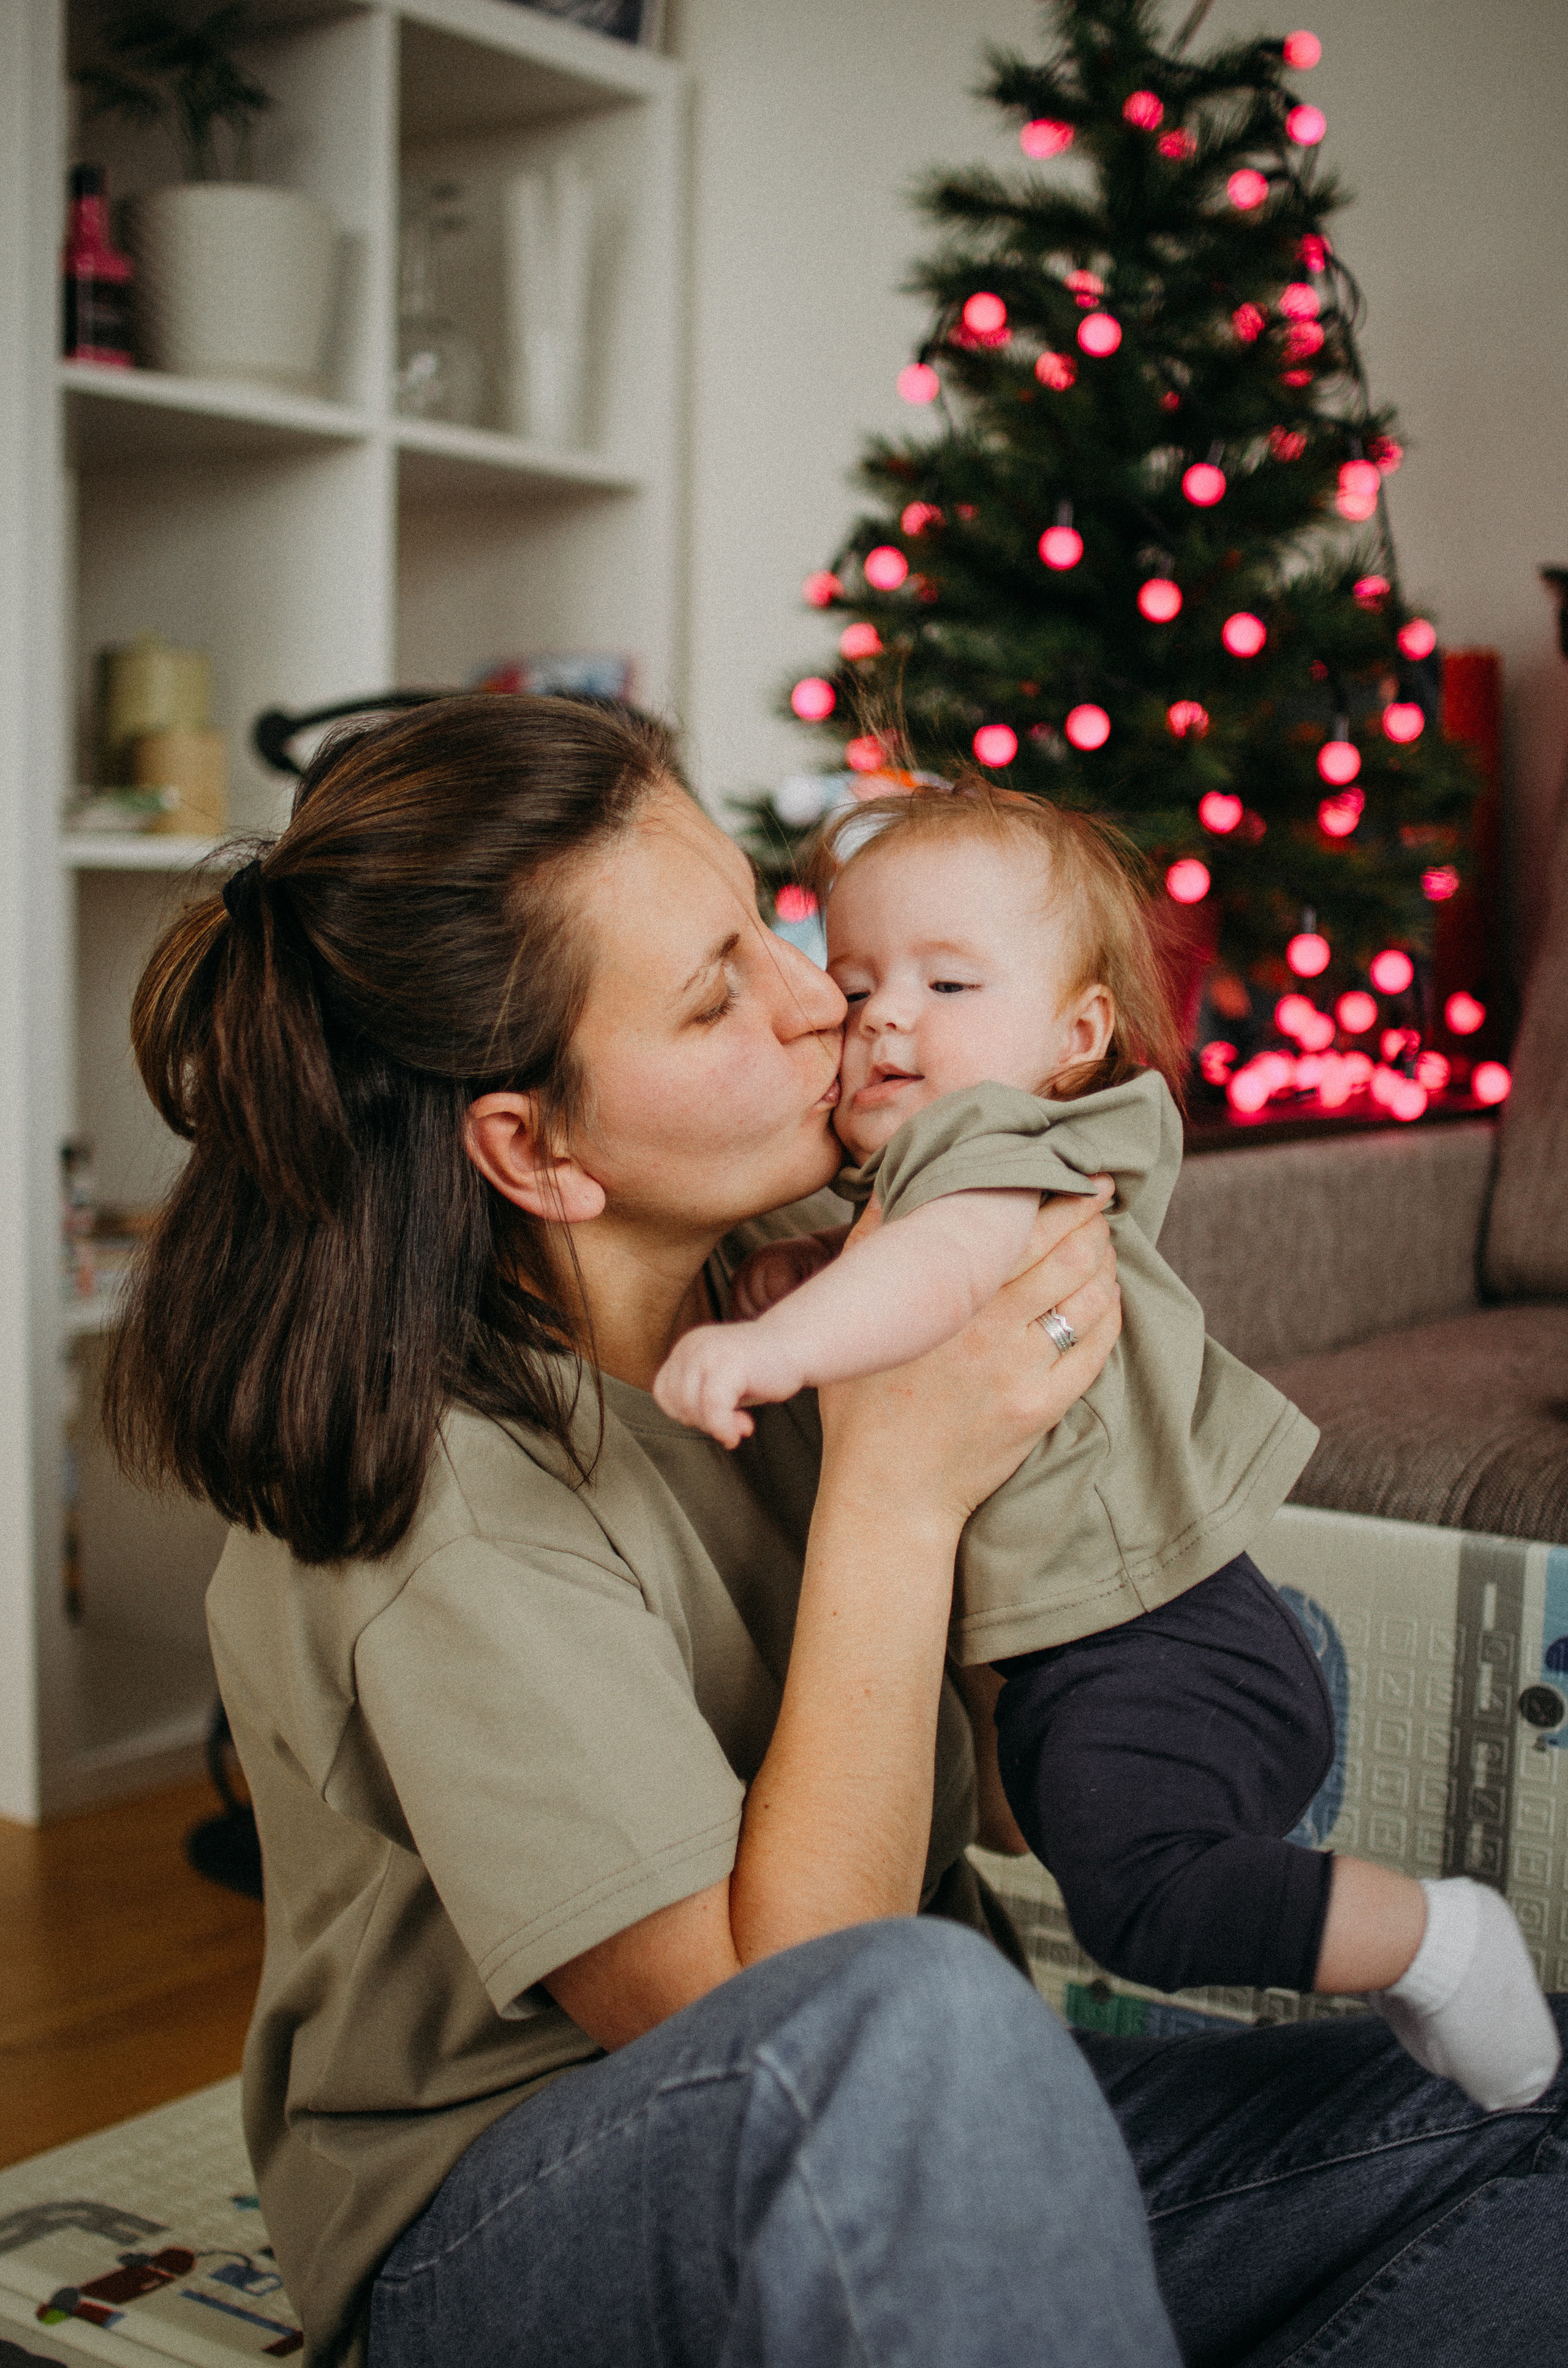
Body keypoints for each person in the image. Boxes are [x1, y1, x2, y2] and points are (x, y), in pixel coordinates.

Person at [103, 698, 1568, 2368]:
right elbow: (789, 2022)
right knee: (920, 2019)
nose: (831, 1004)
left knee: (1535, 2076)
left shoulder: (822, 1273)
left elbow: (1014, 1806)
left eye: (770, 926)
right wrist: (899, 1481)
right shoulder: (440, 1514)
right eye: (724, 991)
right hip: (525, 2237)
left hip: (941, 2134)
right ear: (535, 1148)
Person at [653, 782, 1560, 2114]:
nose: (887, 1015)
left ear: (1076, 1033)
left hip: (1157, 1644)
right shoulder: (917, 1179)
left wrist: (775, 1345)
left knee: (1146, 1902)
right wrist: (803, 1263)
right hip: (1127, 1648)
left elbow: (940, 1267)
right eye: (856, 987)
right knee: (1129, 1895)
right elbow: (899, 1257)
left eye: (949, 982)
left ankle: (1437, 1940)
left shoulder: (995, 1139)